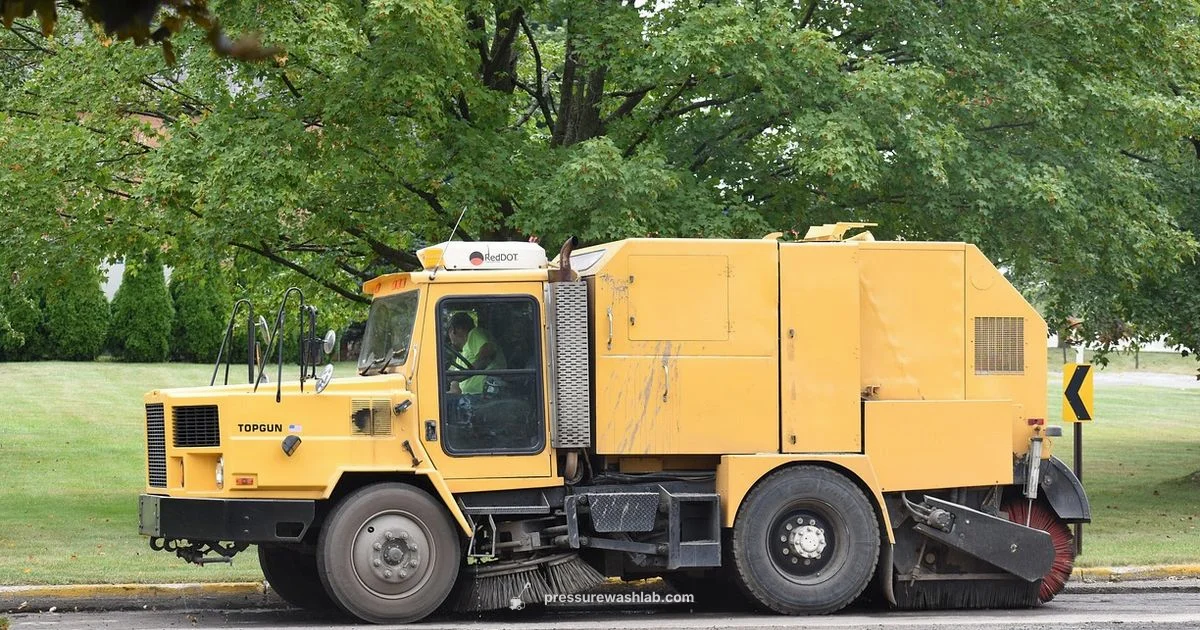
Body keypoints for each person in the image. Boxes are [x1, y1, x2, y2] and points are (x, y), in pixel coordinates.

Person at [447, 311, 507, 395]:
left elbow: (488, 354)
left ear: (454, 330)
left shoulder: (474, 334)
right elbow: (455, 384)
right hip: (467, 399)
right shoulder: (460, 356)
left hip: (486, 395)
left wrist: (465, 374)